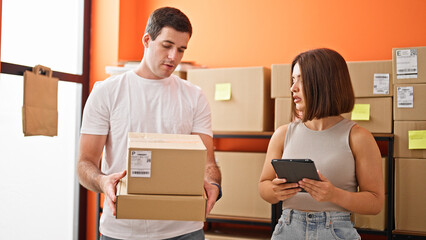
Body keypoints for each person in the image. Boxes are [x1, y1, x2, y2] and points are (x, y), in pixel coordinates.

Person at [77, 7, 221, 240]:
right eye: (167, 46)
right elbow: (85, 164)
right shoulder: (107, 92)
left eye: (181, 49)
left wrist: (213, 184)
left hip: (184, 230)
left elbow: (208, 163)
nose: (174, 57)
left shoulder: (195, 96)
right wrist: (103, 181)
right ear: (147, 40)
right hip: (122, 230)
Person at [258, 48, 384, 239]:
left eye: (301, 79)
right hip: (287, 229)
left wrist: (334, 195)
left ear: (325, 83)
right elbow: (263, 187)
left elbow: (375, 203)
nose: (293, 88)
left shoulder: (359, 137)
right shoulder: (283, 134)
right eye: (293, 80)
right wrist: (275, 190)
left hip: (335, 231)